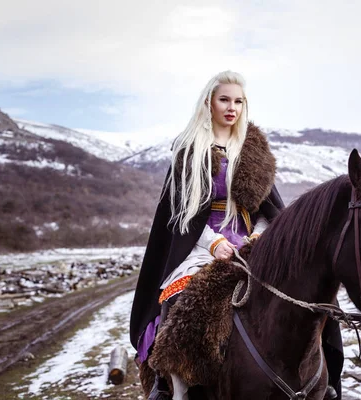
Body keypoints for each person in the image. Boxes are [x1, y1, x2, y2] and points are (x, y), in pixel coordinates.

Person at [129, 70, 343, 400]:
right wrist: (214, 243)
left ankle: (321, 378)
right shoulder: (190, 152)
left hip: (251, 241)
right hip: (200, 243)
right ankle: (171, 384)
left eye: (238, 101)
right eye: (225, 100)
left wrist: (259, 238)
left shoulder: (251, 150)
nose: (232, 107)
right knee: (179, 296)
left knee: (311, 295)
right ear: (209, 103)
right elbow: (182, 216)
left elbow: (266, 210)